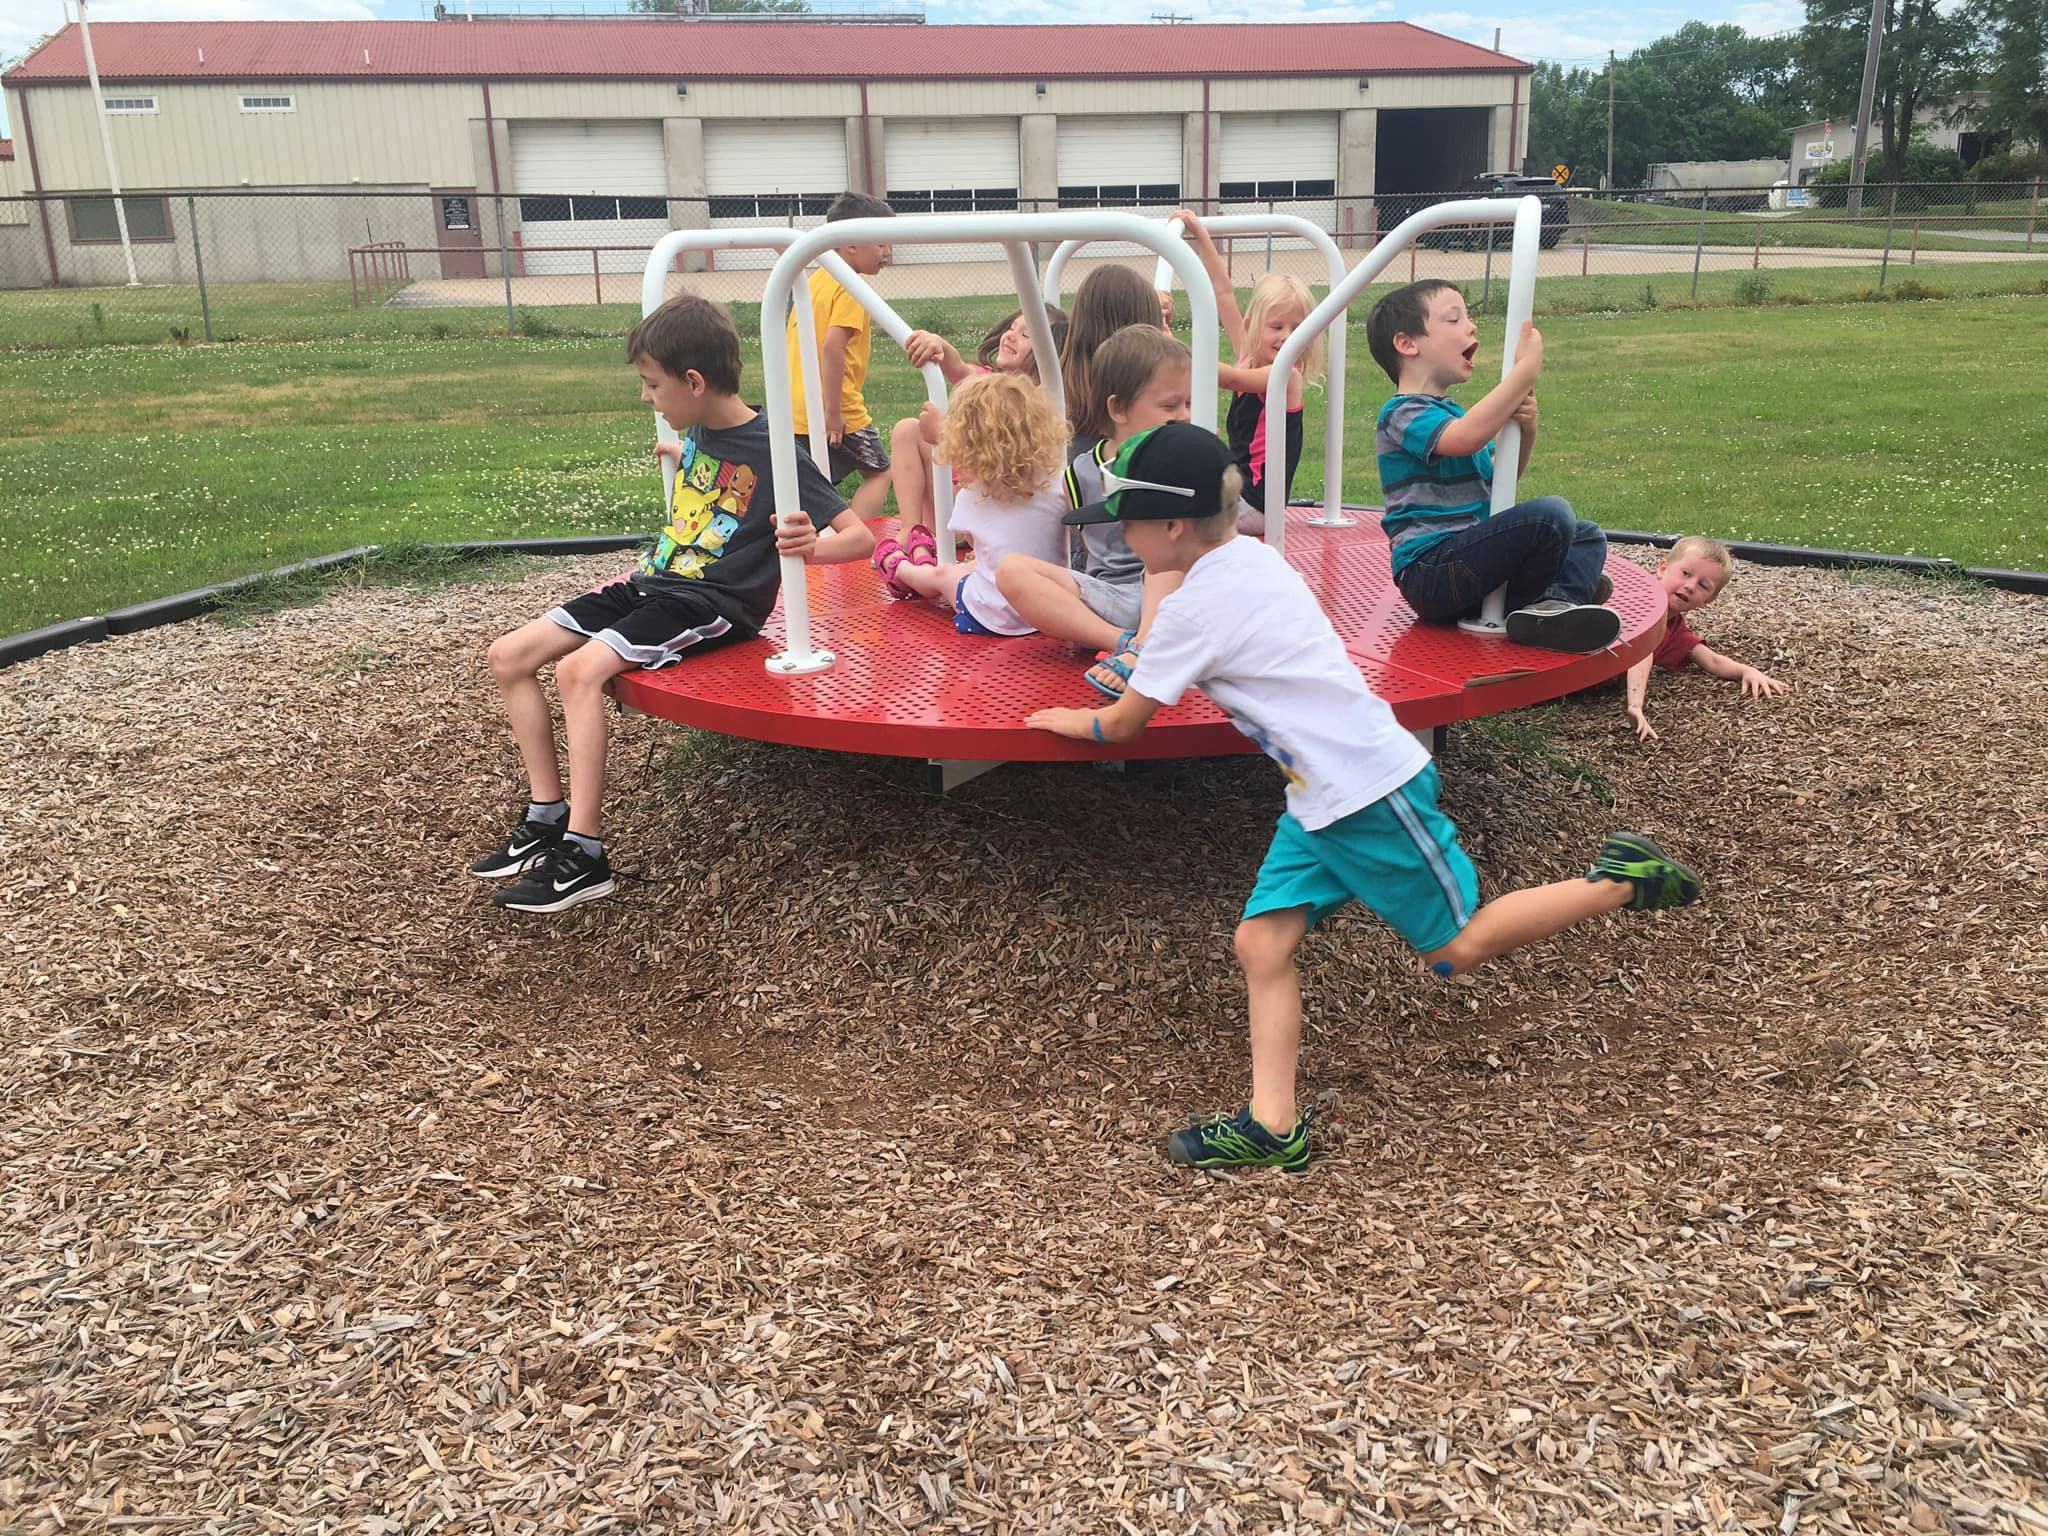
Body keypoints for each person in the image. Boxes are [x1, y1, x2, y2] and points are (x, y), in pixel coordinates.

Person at [1027, 422, 1705, 1172]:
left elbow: (1123, 725)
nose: (1118, 536)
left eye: (1128, 521)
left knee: (1457, 947)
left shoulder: (1192, 609)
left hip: (1368, 792)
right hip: (1320, 800)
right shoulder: (1248, 558)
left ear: (1173, 525)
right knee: (1261, 943)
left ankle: (1619, 880)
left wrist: (1073, 721)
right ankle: (1274, 1128)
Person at [473, 295, 874, 913]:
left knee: (577, 672)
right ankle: (546, 815)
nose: (646, 399)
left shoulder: (775, 449)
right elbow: (711, 480)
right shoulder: (702, 430)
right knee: (508, 656)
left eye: (651, 384)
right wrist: (681, 456)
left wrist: (810, 548)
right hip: (657, 582)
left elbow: (860, 536)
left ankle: (584, 854)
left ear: (694, 381)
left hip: (710, 603)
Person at [1366, 279, 1618, 653]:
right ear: (1408, 344)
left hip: (1469, 566)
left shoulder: (1452, 414)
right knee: (1550, 516)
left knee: (1586, 535)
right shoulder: (1402, 413)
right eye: (1454, 319)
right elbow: (1466, 437)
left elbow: (1500, 481)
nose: (1471, 326)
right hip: (1432, 572)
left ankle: (1554, 606)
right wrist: (1524, 373)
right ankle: (1556, 593)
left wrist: (1527, 430)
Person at [993, 322, 1192, 695]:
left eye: (1188, 403)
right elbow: (1081, 543)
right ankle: (1124, 642)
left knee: (1164, 557)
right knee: (1011, 570)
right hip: (1111, 595)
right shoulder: (1082, 470)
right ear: (1118, 409)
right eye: (1170, 405)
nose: (1183, 415)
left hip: (1173, 596)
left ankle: (1147, 647)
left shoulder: (1185, 458)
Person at [870, 372, 1069, 634]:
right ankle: (919, 560)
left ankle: (903, 569)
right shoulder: (1057, 482)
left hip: (994, 614)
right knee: (978, 567)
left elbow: (975, 542)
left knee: (946, 575)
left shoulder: (975, 495)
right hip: (1054, 609)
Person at [1170, 212, 1322, 520]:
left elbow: (1231, 380)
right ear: (1254, 326)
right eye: (1277, 327)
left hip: (1256, 505)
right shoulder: (1250, 358)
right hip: (1239, 490)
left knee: (1179, 478)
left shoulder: (1284, 377)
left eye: (1298, 328)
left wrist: (1169, 348)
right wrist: (1202, 240)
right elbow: (1223, 293)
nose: (1287, 337)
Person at [885, 304, 1069, 545]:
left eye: (1025, 334)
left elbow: (1000, 459)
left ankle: (982, 544)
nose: (1011, 335)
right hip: (951, 503)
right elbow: (959, 371)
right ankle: (911, 530)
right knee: (907, 430)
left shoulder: (1033, 403)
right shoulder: (987, 380)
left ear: (1049, 351)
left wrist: (943, 433)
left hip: (989, 514)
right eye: (1012, 327)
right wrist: (939, 344)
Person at [786, 191, 896, 525]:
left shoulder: (816, 282)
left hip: (798, 405)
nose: (888, 253)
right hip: (837, 405)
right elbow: (833, 347)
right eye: (881, 244)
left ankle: (818, 535)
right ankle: (848, 539)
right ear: (850, 244)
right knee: (879, 472)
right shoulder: (851, 287)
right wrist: (833, 413)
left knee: (812, 482)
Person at [1624, 535, 1790, 741]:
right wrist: (1635, 705)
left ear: (1709, 600)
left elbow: (1711, 660)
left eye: (1703, 585)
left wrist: (1746, 671)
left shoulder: (1675, 631)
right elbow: (1642, 649)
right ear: (1662, 568)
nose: (1690, 586)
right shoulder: (1635, 602)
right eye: (1685, 573)